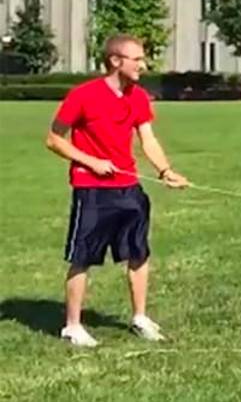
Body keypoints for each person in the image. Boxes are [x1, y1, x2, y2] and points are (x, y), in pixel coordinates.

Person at [43, 34, 189, 348]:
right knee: (83, 258)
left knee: (138, 253)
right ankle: (72, 325)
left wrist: (165, 171)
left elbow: (148, 139)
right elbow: (53, 139)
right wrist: (91, 162)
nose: (142, 65)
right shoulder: (84, 95)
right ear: (115, 60)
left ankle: (140, 317)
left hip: (128, 188)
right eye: (136, 59)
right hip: (92, 190)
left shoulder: (138, 97)